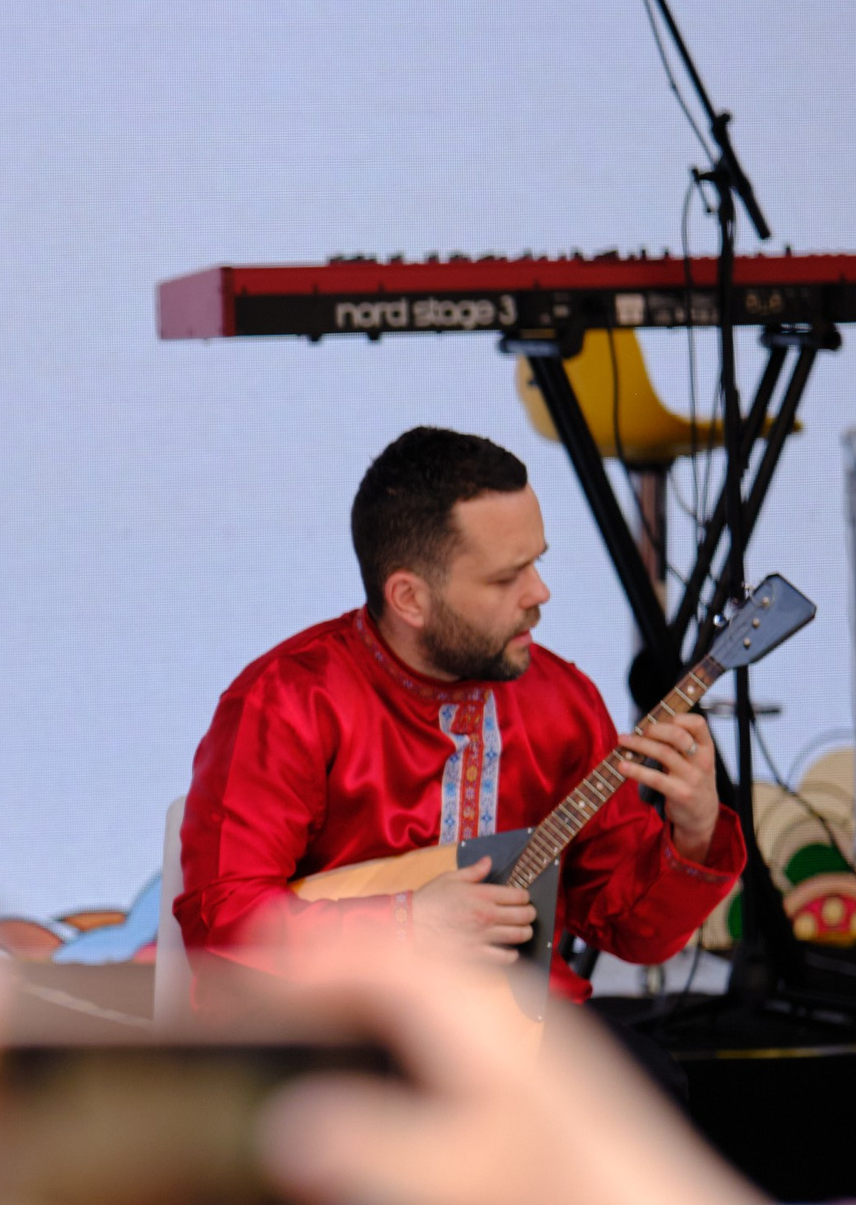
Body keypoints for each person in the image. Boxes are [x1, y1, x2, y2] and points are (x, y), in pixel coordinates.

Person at [177, 426, 743, 1004]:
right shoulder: (289, 702)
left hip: (517, 1035)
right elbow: (222, 919)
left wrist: (695, 832)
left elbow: (632, 931)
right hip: (337, 1036)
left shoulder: (562, 701)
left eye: (537, 563)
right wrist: (406, 924)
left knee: (649, 1084)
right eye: (505, 577)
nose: (540, 592)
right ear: (410, 598)